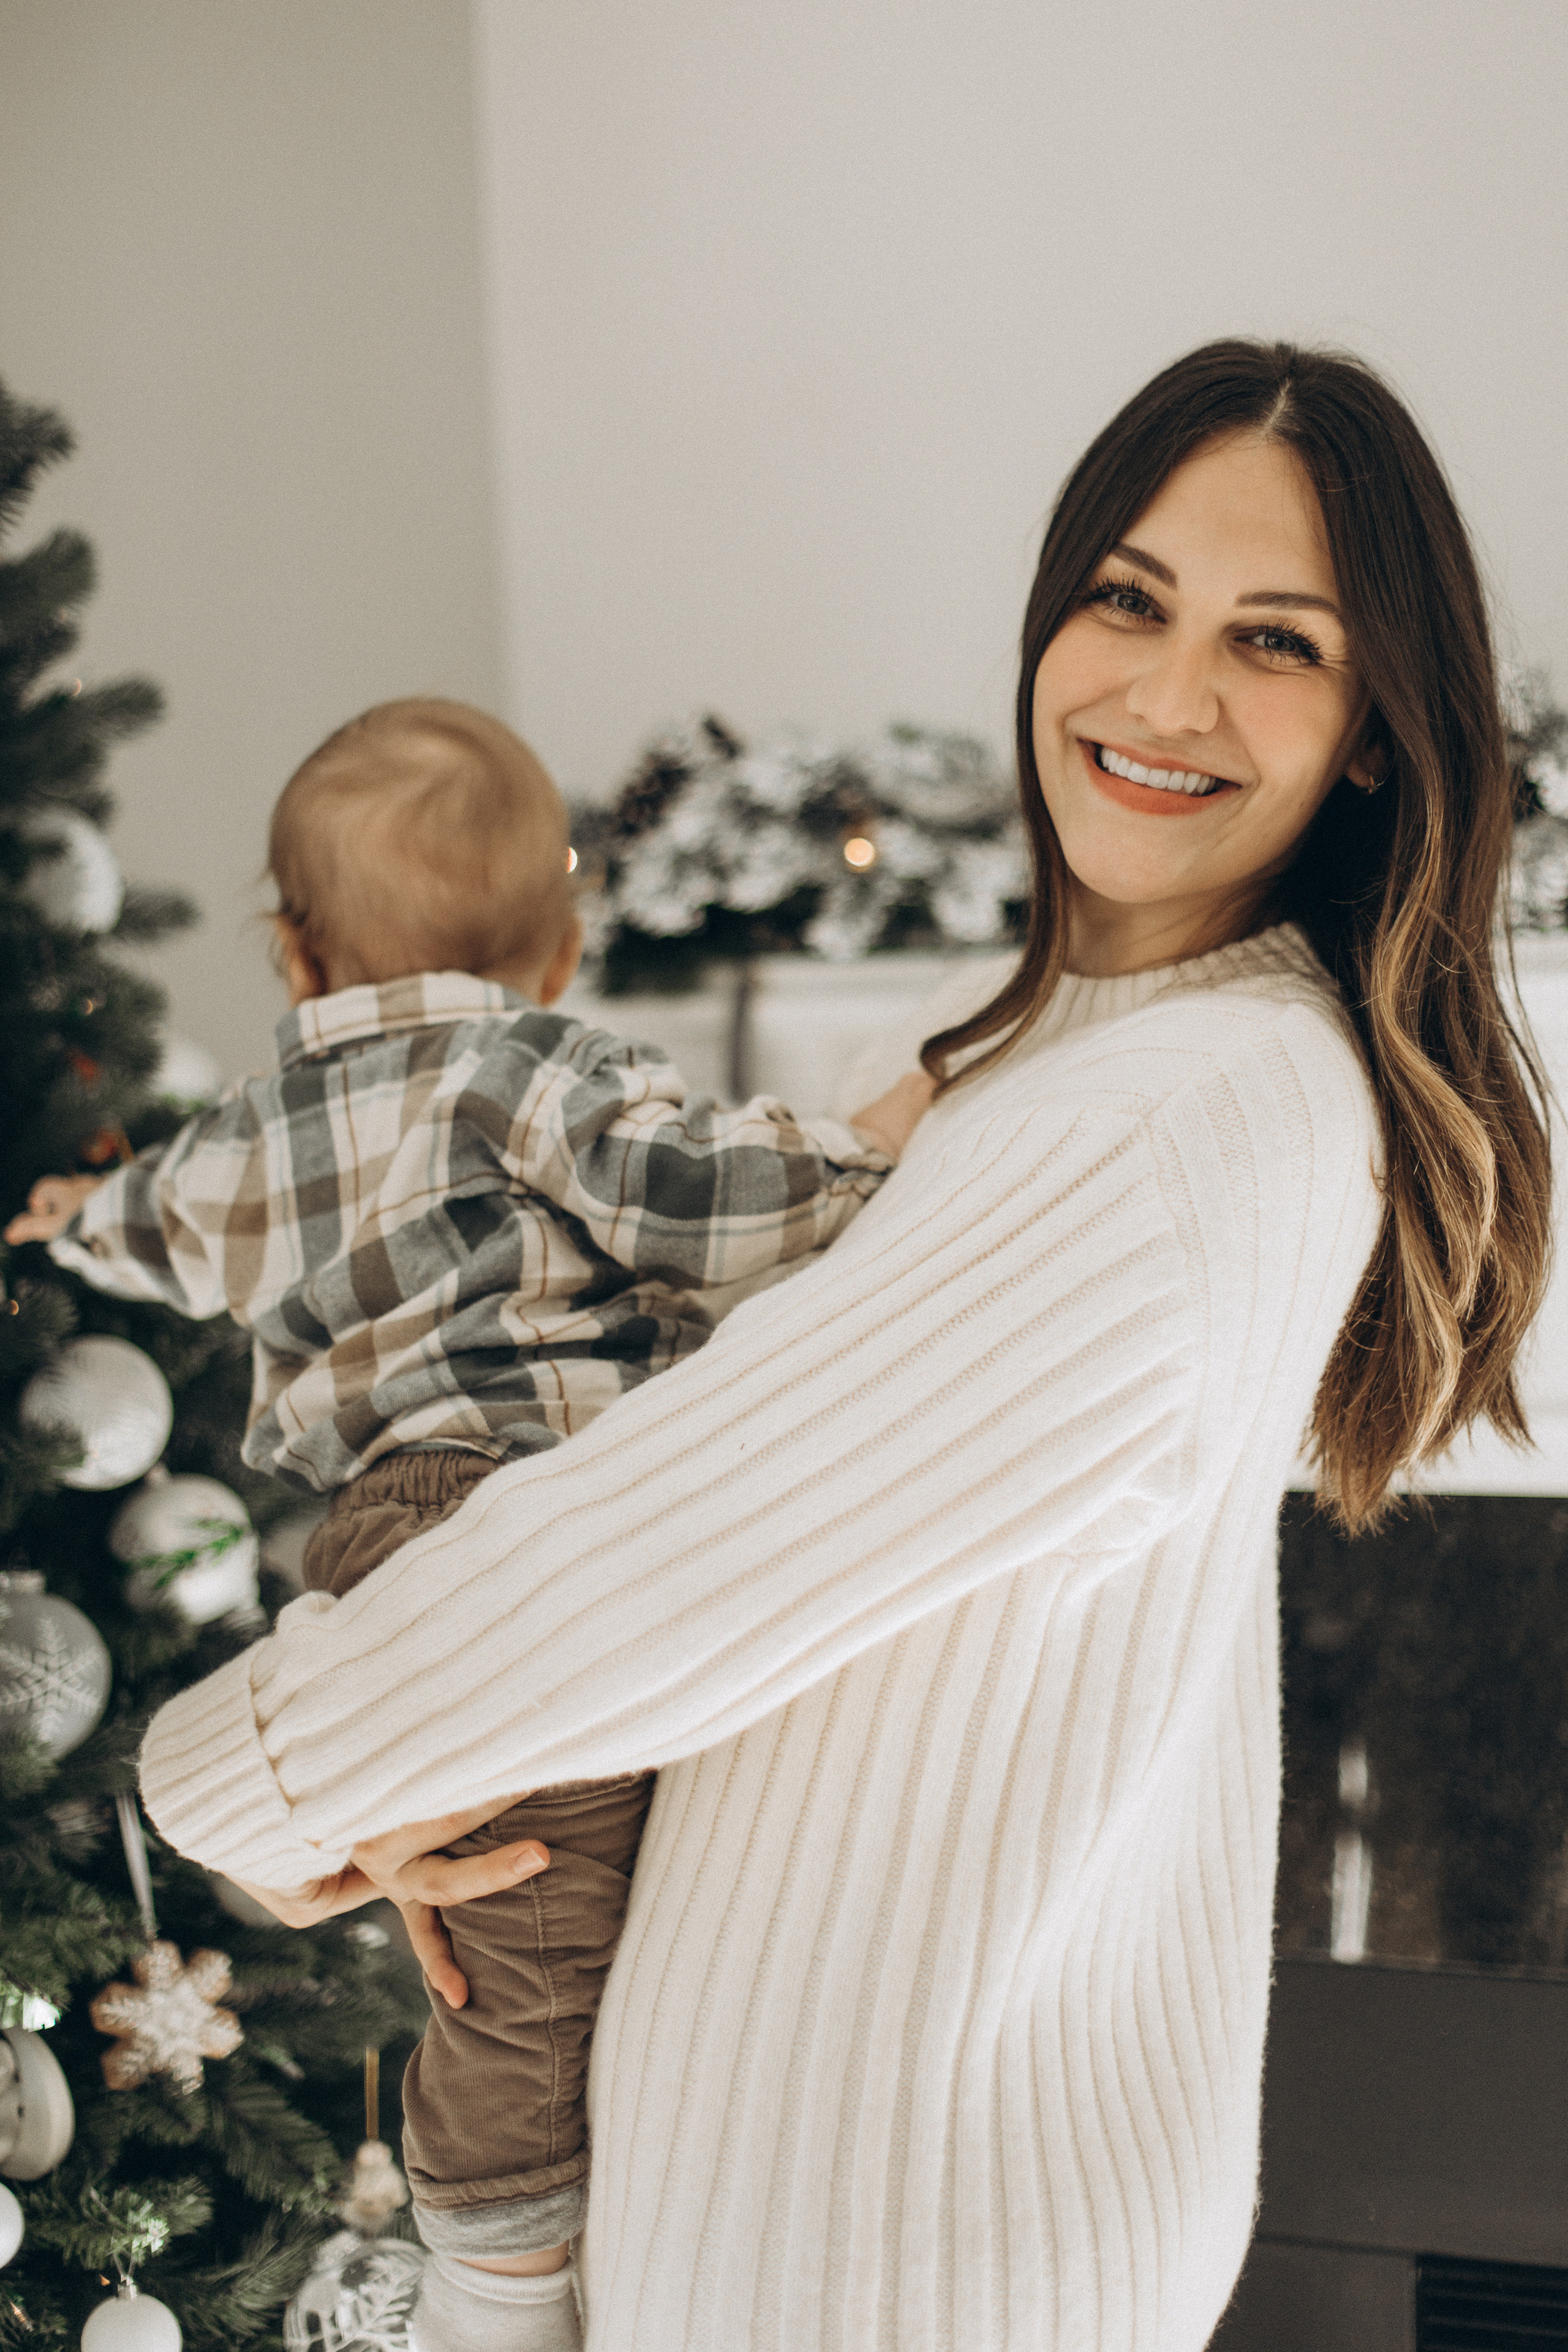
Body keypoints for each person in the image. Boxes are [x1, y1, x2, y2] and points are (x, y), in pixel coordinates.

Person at [134, 342, 1551, 2352]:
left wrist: (235, 1781)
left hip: (890, 2244)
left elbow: (661, 1547)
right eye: (1127, 600)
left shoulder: (1174, 1121)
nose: (1164, 695)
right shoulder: (1062, 1058)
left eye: (1276, 642)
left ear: (1381, 734)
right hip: (842, 2199)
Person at [6, 697, 932, 2352]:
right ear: (561, 950)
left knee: (511, 1941)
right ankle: (500, 2293)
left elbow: (161, 1224)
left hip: (375, 1533)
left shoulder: (249, 1130)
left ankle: (505, 2271)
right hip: (535, 1511)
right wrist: (868, 1158)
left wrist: (84, 1225)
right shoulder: (533, 1065)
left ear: (293, 958)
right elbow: (696, 1196)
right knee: (553, 1904)